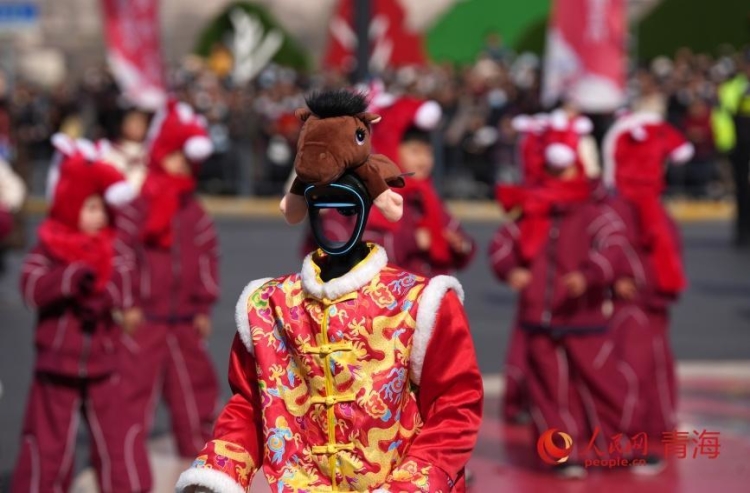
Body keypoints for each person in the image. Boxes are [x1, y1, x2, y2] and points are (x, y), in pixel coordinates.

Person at [177, 91, 483, 492]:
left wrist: (414, 483)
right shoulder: (268, 306)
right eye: (323, 206)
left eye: (347, 207)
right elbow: (251, 407)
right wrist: (218, 472)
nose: (334, 220)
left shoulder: (423, 302)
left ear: (368, 207)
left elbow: (455, 407)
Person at [489, 112, 635, 478]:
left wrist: (590, 276)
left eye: (566, 169)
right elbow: (501, 245)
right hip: (540, 318)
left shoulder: (594, 212)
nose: (559, 177)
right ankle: (561, 453)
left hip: (584, 317)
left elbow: (614, 245)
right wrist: (511, 270)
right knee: (549, 392)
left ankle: (615, 444)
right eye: (553, 170)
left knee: (602, 383)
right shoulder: (531, 212)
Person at [12, 134, 151, 492]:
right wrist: (69, 278)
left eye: (102, 208)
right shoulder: (49, 245)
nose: (99, 216)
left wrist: (101, 292)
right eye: (90, 207)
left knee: (116, 438)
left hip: (104, 360)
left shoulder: (112, 245)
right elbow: (31, 289)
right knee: (48, 442)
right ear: (70, 203)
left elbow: (126, 286)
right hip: (57, 361)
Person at [119, 100, 220, 468]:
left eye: (186, 160)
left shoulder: (194, 211)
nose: (181, 165)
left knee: (194, 393)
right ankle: (125, 467)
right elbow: (123, 256)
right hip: (145, 317)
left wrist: (203, 306)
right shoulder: (138, 206)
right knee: (132, 396)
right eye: (174, 156)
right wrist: (128, 302)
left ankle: (199, 466)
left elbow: (208, 257)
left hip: (184, 319)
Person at [602, 111, 694, 473]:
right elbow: (609, 247)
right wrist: (615, 279)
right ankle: (627, 434)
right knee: (631, 366)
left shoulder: (651, 203)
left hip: (654, 299)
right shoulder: (620, 206)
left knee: (657, 363)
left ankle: (659, 423)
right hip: (631, 301)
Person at [303, 94, 476, 277]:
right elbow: (358, 249)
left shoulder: (427, 196)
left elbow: (461, 239)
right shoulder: (372, 196)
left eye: (428, 153)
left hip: (428, 289)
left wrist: (461, 245)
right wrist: (414, 241)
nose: (424, 160)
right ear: (391, 149)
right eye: (415, 152)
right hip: (386, 290)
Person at [716, 50, 750, 246]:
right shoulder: (733, 87)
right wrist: (726, 143)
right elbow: (722, 116)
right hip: (741, 146)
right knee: (742, 190)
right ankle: (743, 232)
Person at [103, 106, 151, 194]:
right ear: (122, 124)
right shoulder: (108, 150)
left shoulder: (151, 153)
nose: (136, 126)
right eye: (132, 122)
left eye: (140, 123)